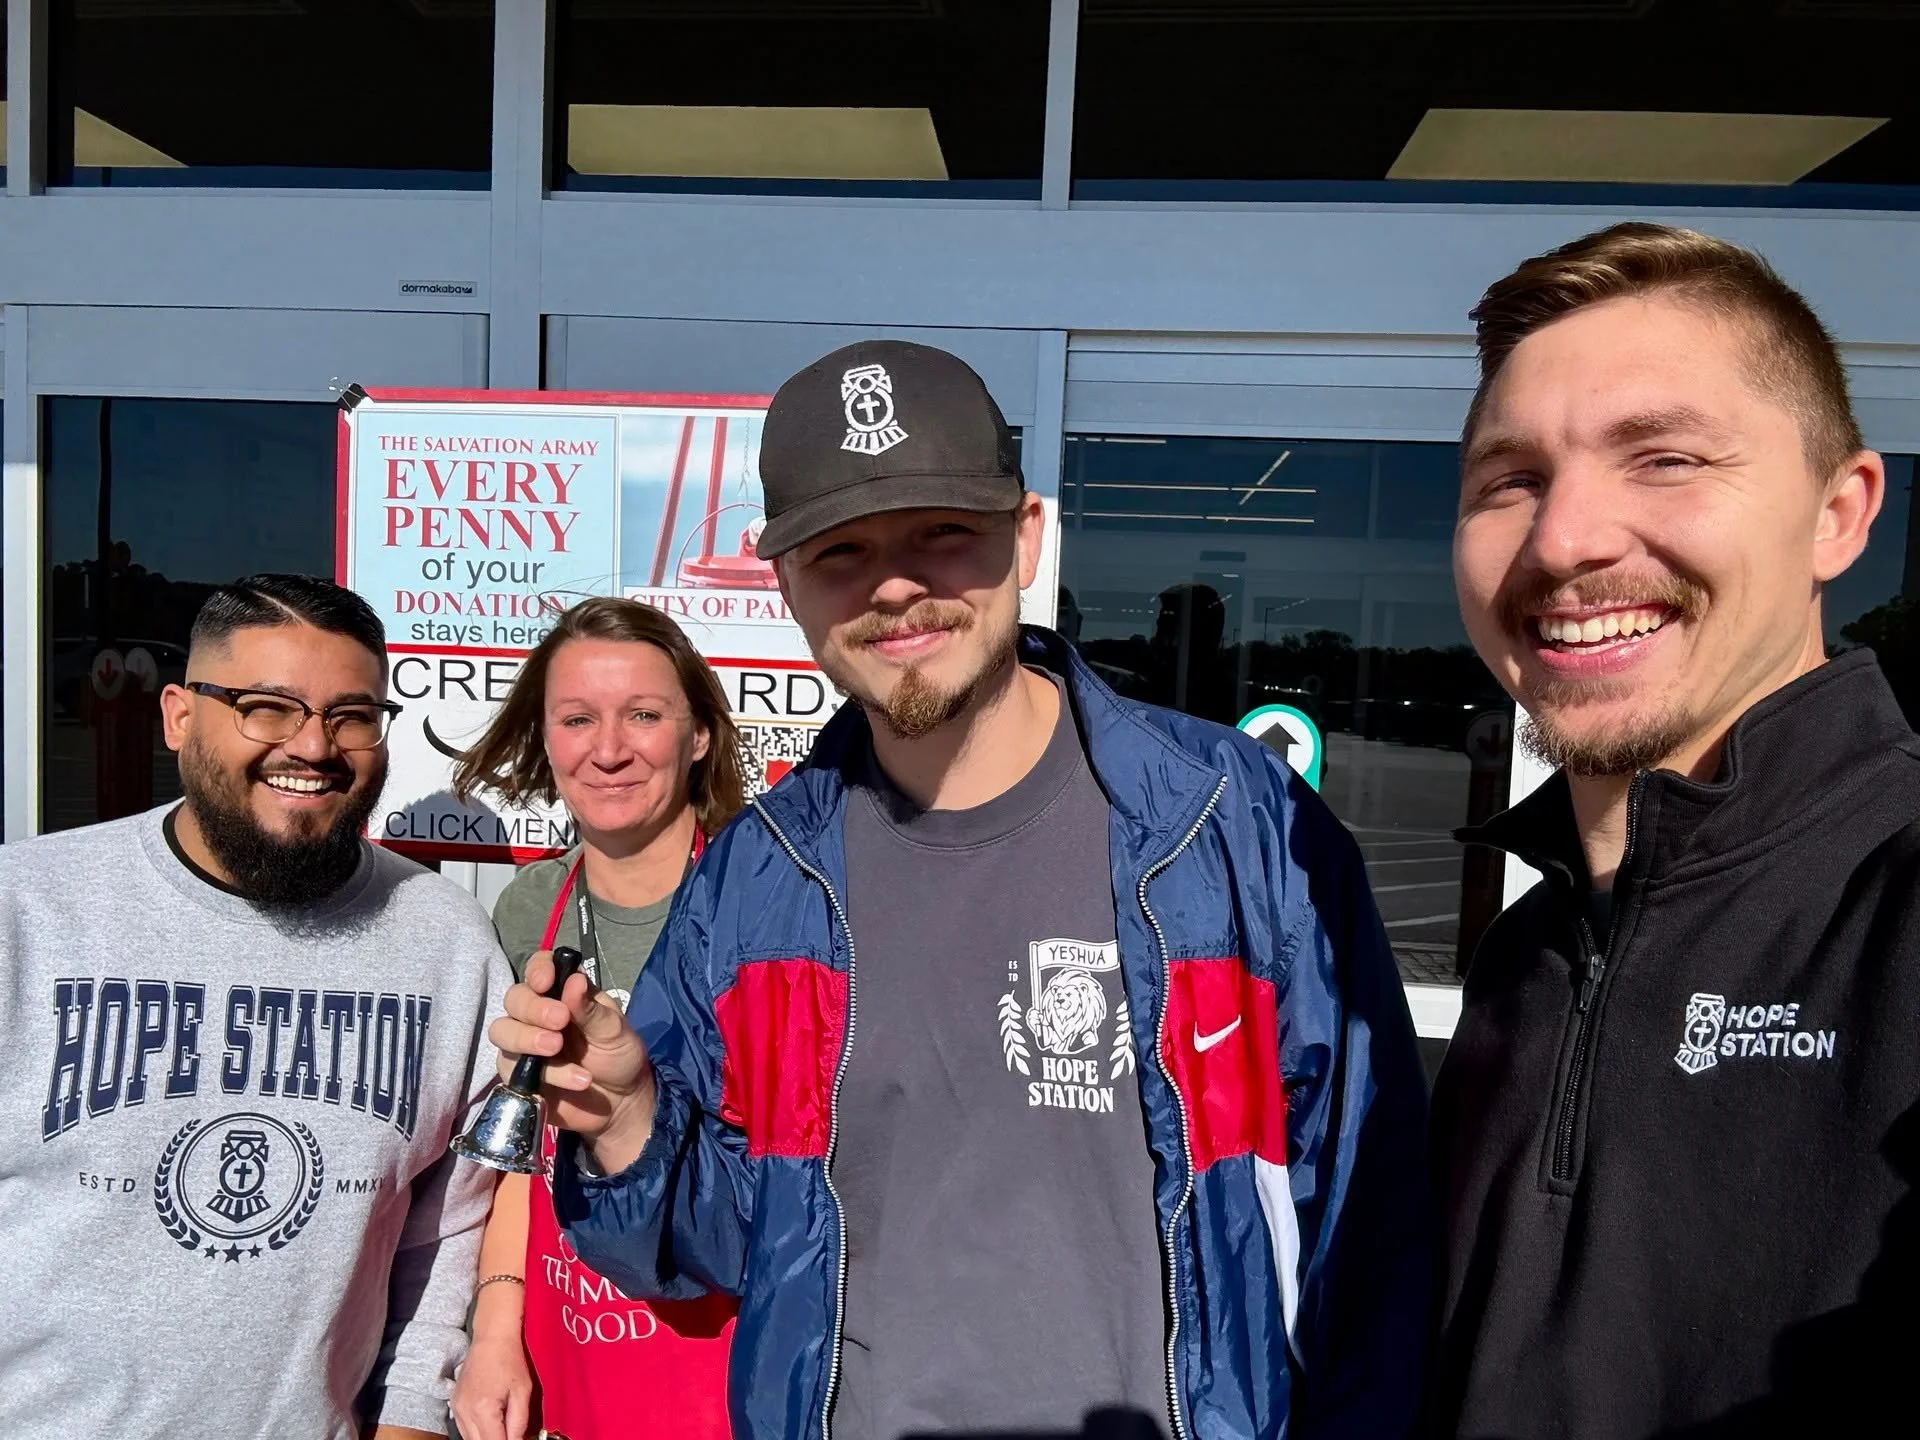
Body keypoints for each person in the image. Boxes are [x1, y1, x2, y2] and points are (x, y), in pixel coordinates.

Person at [493, 340, 1431, 1440]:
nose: (895, 584)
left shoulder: (1237, 830)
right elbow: (716, 1243)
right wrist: (628, 1121)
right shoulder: (758, 881)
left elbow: (1371, 1241)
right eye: (841, 550)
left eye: (944, 532)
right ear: (786, 582)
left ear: (1026, 537)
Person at [1430, 223, 1919, 1438]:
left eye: (1664, 459)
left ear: (1838, 514)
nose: (1563, 539)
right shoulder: (1531, 948)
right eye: (1511, 479)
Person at [0, 574, 508, 1439]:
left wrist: (412, 1413)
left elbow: (452, 1223)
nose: (313, 747)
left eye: (351, 715)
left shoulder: (445, 941)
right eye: (267, 707)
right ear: (178, 716)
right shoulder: (28, 908)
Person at [447, 596, 745, 1440]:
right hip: (570, 1341)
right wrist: (495, 1335)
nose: (608, 750)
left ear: (697, 736)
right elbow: (515, 1152)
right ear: (547, 740)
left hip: (723, 1344)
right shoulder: (527, 908)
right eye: (578, 719)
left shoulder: (765, 906)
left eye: (643, 715)